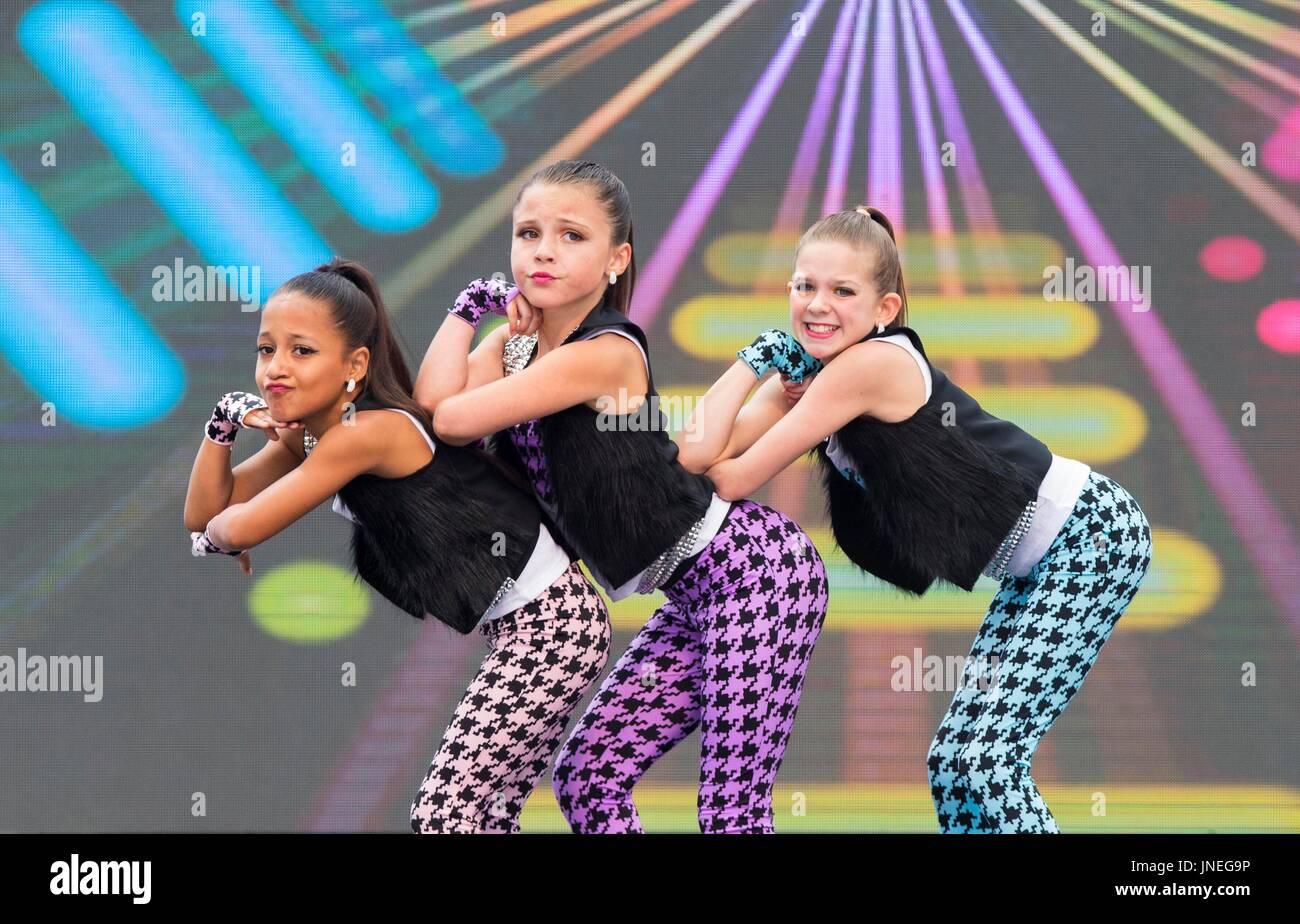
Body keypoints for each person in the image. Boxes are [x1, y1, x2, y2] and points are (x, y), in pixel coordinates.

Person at [679, 206, 1153, 833]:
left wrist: (758, 369)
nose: (818, 305)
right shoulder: (816, 374)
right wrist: (754, 363)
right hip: (1041, 564)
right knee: (955, 762)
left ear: (885, 309)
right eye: (804, 286)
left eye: (843, 291)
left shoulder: (869, 366)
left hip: (1091, 536)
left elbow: (732, 477)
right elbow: (692, 457)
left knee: (985, 761)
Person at [417, 160, 828, 834]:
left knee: (731, 813)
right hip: (693, 594)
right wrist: (470, 312)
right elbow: (434, 404)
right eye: (527, 233)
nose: (543, 250)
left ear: (617, 259)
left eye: (572, 236)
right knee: (587, 779)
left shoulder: (604, 352)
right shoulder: (513, 349)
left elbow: (456, 419)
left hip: (755, 575)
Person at [184, 258, 610, 834]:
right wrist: (224, 422)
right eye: (266, 350)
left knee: (443, 817)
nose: (275, 370)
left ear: (355, 366)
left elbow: (238, 527)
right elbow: (208, 512)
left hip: (553, 625)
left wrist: (214, 541)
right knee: (483, 820)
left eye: (301, 351)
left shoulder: (365, 434)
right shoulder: (312, 436)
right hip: (532, 627)